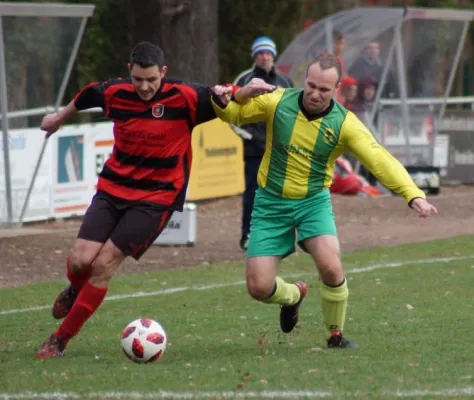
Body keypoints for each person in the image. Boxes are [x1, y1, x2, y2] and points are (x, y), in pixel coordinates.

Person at [211, 52, 437, 348]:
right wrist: (225, 98)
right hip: (270, 203)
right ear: (305, 81)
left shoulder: (345, 124)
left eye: (324, 89)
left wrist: (413, 194)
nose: (315, 94)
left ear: (336, 90)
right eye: (311, 85)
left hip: (312, 203)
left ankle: (335, 335)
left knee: (331, 264)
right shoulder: (277, 101)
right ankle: (294, 296)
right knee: (258, 287)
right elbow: (233, 114)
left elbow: (378, 158)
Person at [35, 41, 234, 359]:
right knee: (79, 261)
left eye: (151, 80)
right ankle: (76, 291)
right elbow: (88, 93)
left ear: (163, 73)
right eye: (138, 79)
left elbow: (227, 94)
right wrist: (60, 117)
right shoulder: (116, 93)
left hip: (156, 198)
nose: (144, 86)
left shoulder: (185, 97)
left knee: (102, 265)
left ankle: (60, 339)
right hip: (113, 189)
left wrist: (242, 90)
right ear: (129, 71)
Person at [231, 36, 293, 251]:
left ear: (274, 55)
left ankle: (278, 235)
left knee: (280, 193)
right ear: (254, 56)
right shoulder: (245, 79)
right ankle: (247, 235)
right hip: (254, 151)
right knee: (253, 194)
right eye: (260, 53)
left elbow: (294, 112)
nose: (265, 57)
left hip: (280, 150)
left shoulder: (285, 81)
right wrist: (250, 136)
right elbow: (231, 113)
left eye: (268, 53)